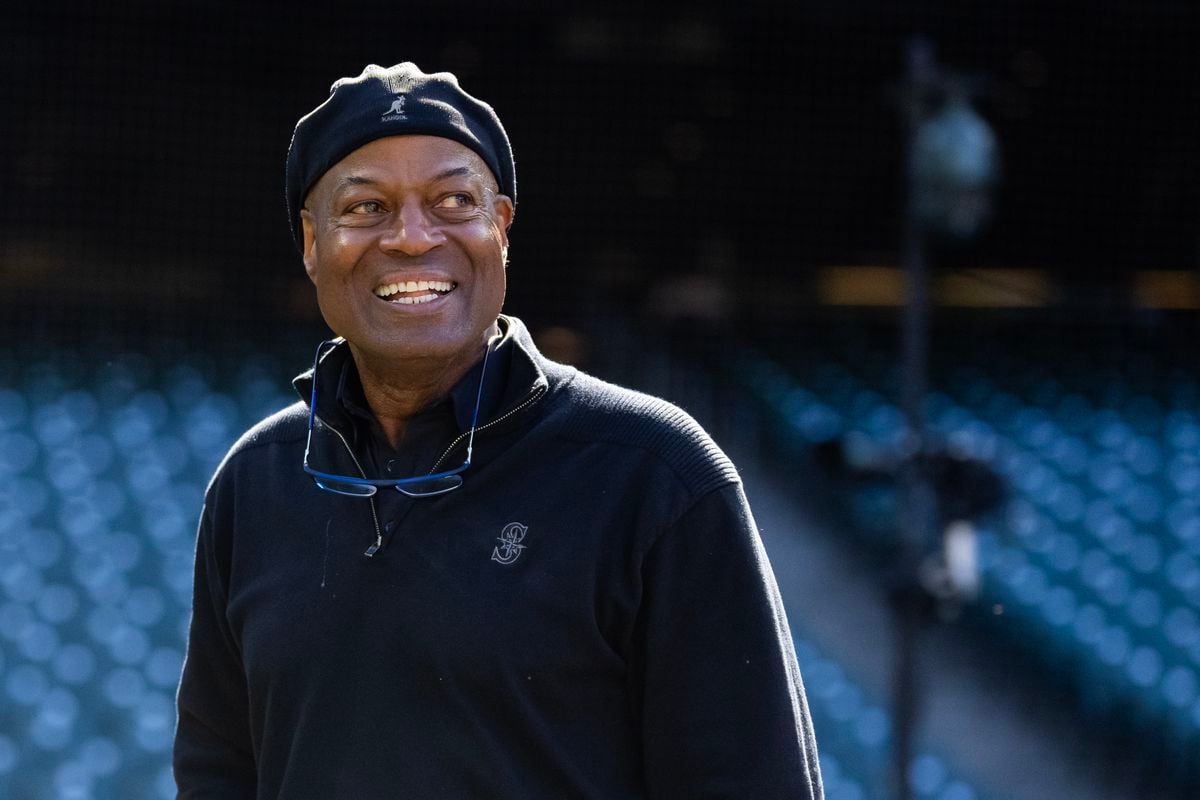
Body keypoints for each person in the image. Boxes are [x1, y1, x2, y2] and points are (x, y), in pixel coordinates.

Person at [174, 62, 823, 799]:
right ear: (311, 242)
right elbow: (215, 776)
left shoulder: (657, 476)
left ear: (502, 229)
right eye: (366, 207)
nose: (414, 238)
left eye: (454, 200)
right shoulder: (253, 482)